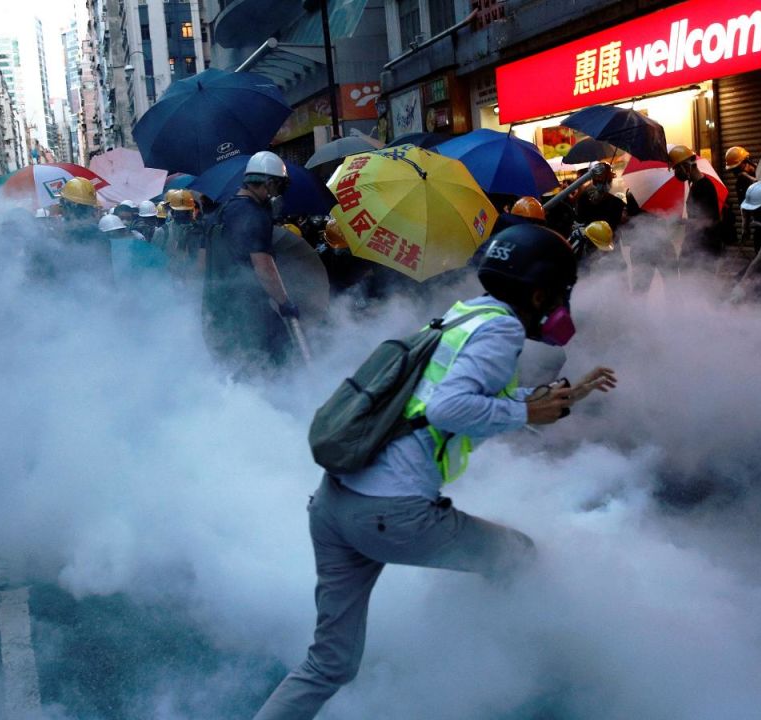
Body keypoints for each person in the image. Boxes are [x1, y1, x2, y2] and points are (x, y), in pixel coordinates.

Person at [252, 223, 617, 720]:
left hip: (335, 506)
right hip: (391, 514)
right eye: (558, 293)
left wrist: (558, 398)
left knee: (329, 664)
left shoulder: (464, 315)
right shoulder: (504, 328)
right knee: (517, 556)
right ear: (538, 292)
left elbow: (451, 401)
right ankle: (523, 670)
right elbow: (449, 408)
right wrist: (527, 413)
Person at [202, 151, 298, 373]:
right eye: (278, 187)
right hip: (247, 310)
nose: (278, 194)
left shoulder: (218, 213)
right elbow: (263, 266)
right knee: (278, 360)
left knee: (235, 369)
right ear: (269, 183)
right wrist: (285, 303)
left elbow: (201, 264)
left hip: (215, 308)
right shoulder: (253, 214)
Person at [669, 144, 723, 270]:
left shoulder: (704, 187)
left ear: (686, 166)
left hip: (705, 249)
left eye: (677, 168)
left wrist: (680, 221)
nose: (676, 172)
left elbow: (707, 221)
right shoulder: (695, 185)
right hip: (697, 247)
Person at [573, 161, 626, 230]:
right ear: (593, 180)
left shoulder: (617, 202)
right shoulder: (584, 198)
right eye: (598, 181)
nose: (605, 184)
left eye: (608, 180)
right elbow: (580, 221)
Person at [726, 146, 759, 246]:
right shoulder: (740, 182)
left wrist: (748, 177)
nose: (736, 174)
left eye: (737, 169)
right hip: (760, 225)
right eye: (733, 171)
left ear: (746, 161)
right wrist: (745, 229)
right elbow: (744, 207)